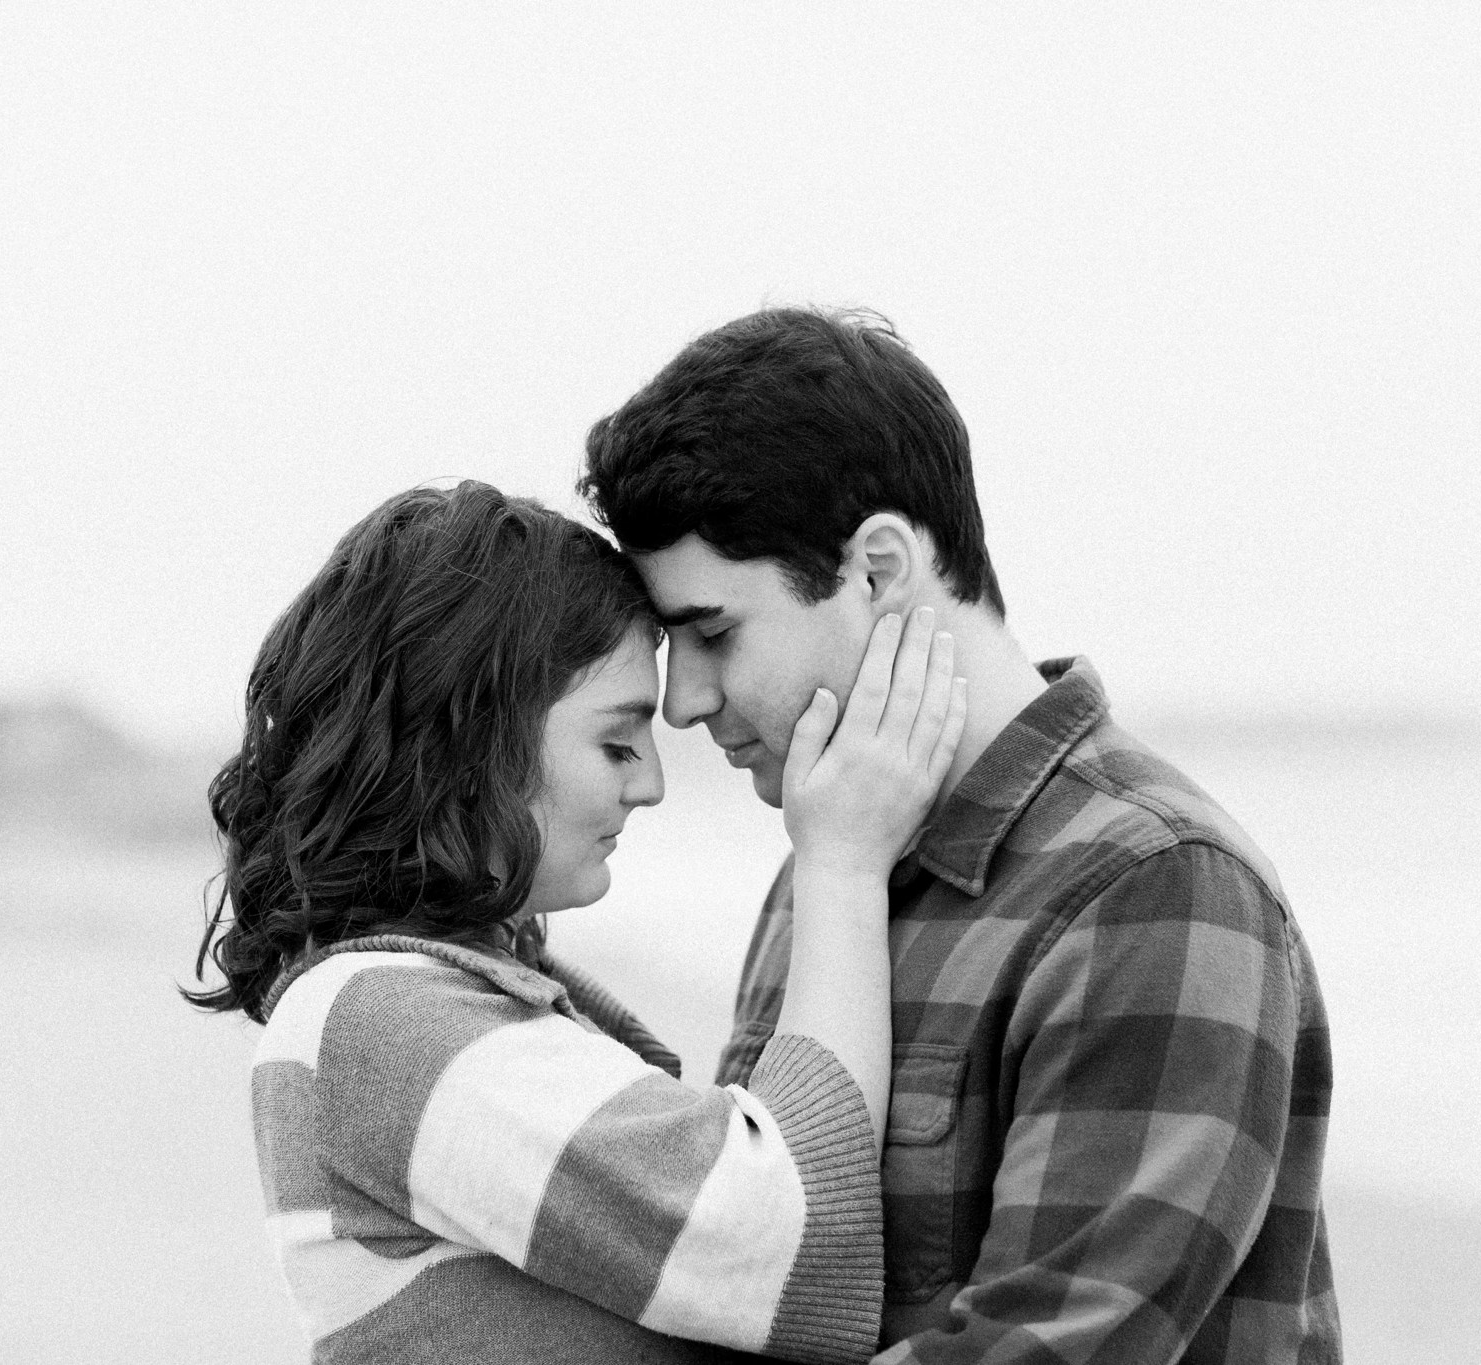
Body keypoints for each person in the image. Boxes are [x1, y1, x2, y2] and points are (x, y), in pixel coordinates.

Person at [579, 308, 1342, 1364]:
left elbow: (1043, 1348)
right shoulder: (829, 867)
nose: (684, 703)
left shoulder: (1158, 887)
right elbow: (749, 1274)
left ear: (880, 571)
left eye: (712, 634)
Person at [186, 480, 967, 1364]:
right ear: (473, 741)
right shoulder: (376, 1020)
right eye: (616, 742)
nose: (650, 784)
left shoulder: (392, 1004)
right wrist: (844, 864)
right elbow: (785, 1239)